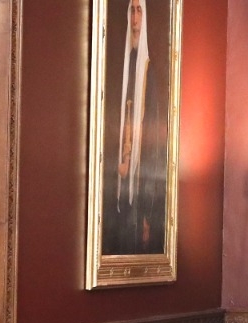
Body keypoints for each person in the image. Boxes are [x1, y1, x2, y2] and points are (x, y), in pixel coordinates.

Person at [103, 0, 167, 255]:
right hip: (119, 169)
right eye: (132, 10)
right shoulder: (122, 66)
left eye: (139, 10)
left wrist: (132, 159)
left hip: (141, 177)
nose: (135, 17)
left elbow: (151, 133)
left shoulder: (150, 72)